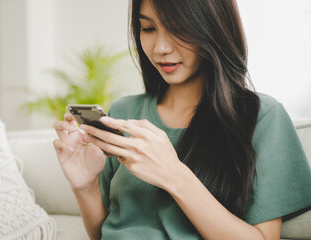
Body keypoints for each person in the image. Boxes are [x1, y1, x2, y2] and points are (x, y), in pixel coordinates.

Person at [53, 0, 311, 239]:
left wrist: (173, 174)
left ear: (213, 27)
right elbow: (104, 233)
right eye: (148, 28)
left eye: (179, 29)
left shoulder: (261, 117)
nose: (161, 48)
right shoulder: (124, 112)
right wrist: (85, 186)